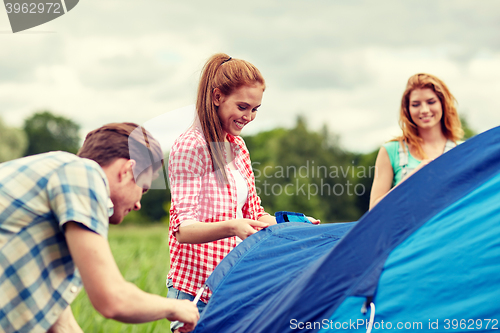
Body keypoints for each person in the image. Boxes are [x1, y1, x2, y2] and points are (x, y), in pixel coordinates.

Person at [167, 53, 319, 332]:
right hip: (195, 293)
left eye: (255, 109)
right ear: (216, 97)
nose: (248, 117)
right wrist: (232, 227)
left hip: (233, 288)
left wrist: (295, 225)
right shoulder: (190, 147)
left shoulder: (238, 147)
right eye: (242, 106)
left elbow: (253, 214)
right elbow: (184, 230)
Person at [0, 122, 199, 333]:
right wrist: (176, 307)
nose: (139, 203)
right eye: (144, 187)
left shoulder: (57, 199)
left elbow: (62, 325)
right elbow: (113, 299)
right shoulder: (82, 173)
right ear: (127, 171)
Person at [369, 73, 464, 210]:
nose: (424, 110)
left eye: (431, 102)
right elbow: (373, 209)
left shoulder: (461, 150)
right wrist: (413, 178)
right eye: (416, 104)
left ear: (443, 104)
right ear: (407, 109)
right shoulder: (391, 150)